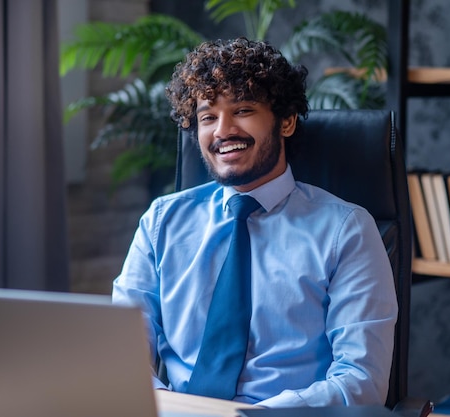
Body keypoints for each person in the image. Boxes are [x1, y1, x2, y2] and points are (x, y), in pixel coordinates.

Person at [112, 37, 398, 408]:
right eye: (208, 117)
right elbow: (122, 354)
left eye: (243, 110)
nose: (222, 130)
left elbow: (361, 383)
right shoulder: (161, 223)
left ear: (287, 121)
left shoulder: (346, 230)